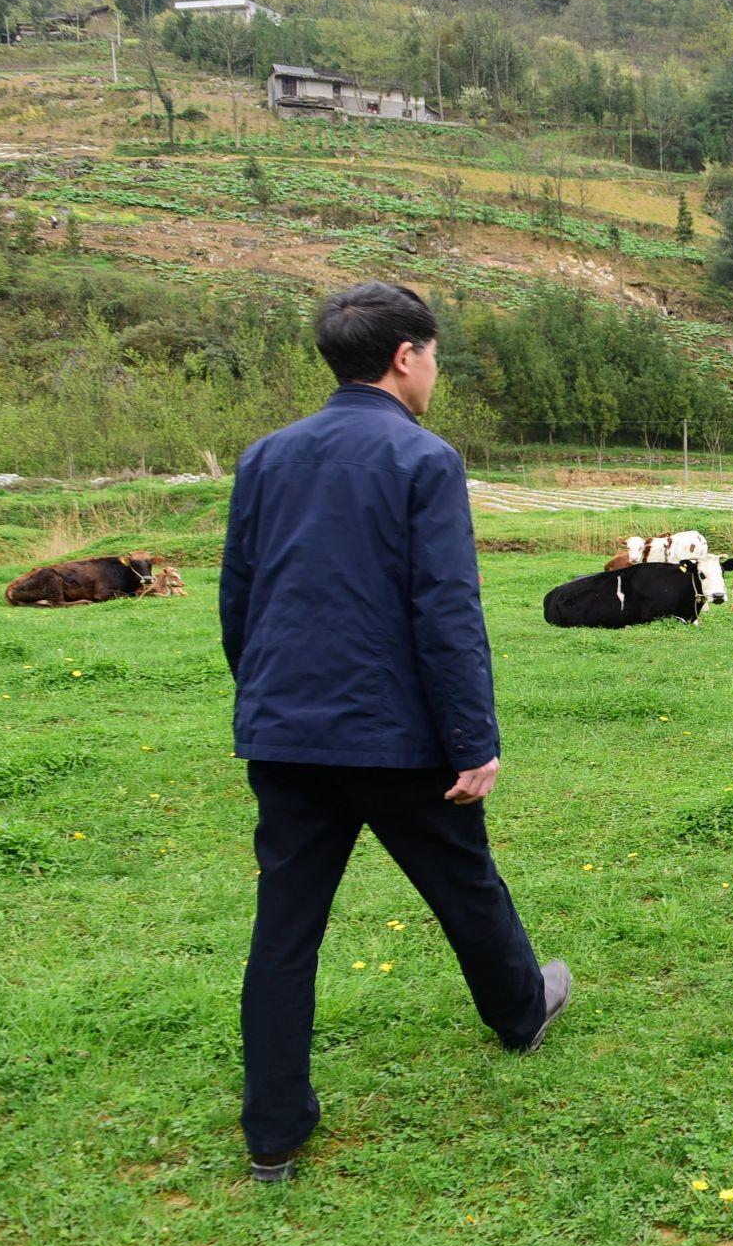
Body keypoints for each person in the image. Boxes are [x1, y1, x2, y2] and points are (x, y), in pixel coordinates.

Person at [220, 281, 570, 1184]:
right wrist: (473, 739)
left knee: (284, 933)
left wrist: (267, 702)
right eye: (436, 355)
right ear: (406, 357)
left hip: (286, 731)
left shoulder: (264, 456)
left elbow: (241, 599)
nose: (435, 371)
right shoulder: (424, 461)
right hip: (395, 738)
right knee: (465, 883)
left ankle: (274, 1134)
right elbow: (446, 609)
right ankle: (524, 1012)